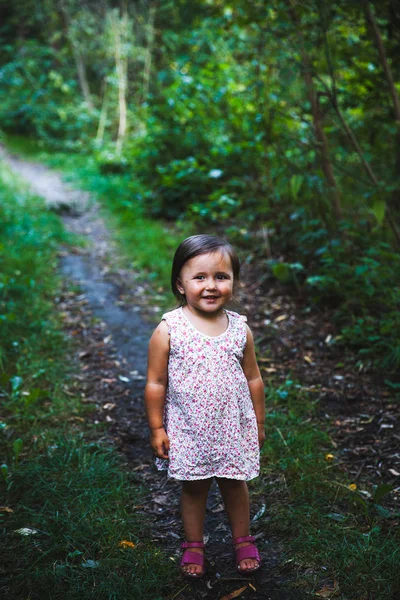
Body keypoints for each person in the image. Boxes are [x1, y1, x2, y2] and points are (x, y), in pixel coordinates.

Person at [144, 234, 265, 578]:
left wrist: (258, 421)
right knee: (194, 488)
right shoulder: (169, 329)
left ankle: (242, 538)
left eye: (221, 277)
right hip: (189, 428)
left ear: (233, 282)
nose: (211, 286)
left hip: (232, 424)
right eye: (199, 277)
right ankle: (194, 544)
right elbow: (155, 383)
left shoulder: (240, 328)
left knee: (234, 482)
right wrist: (157, 428)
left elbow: (253, 378)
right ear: (180, 285)